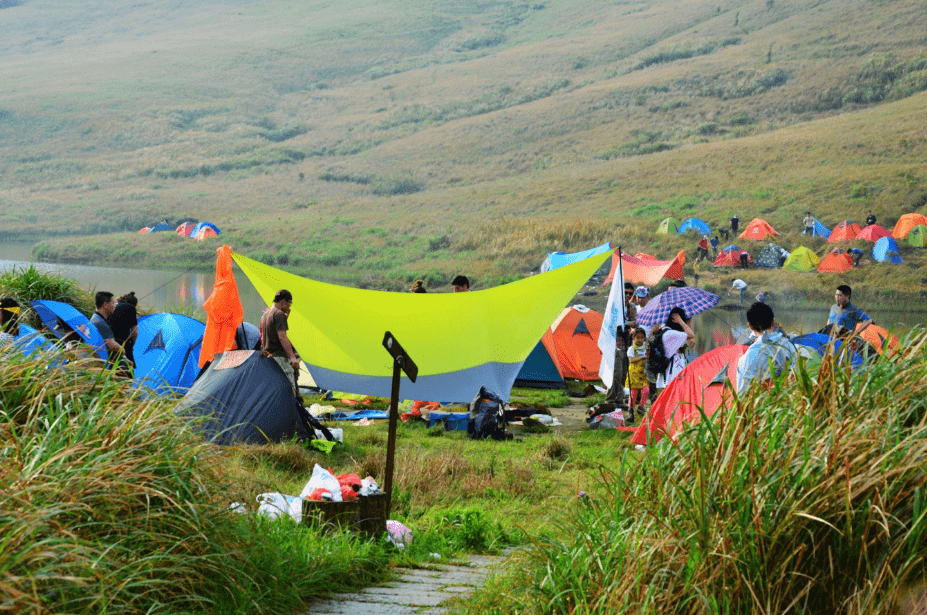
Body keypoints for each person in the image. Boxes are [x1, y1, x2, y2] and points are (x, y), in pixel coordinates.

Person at [736, 302, 798, 394]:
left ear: (750, 326)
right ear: (773, 321)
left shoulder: (749, 356)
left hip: (760, 406)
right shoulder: (789, 346)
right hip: (788, 403)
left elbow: (742, 394)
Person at [260, 289, 301, 397]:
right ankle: (291, 409)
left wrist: (285, 319)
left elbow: (270, 332)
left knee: (276, 385)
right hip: (279, 355)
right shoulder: (279, 314)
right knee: (289, 384)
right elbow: (282, 337)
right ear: (283, 301)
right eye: (289, 303)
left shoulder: (266, 314)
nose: (289, 306)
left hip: (268, 356)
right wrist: (292, 357)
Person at [654, 307, 696, 391]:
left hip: (666, 372)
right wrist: (680, 321)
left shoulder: (663, 331)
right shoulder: (672, 334)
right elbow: (691, 334)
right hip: (672, 373)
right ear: (675, 320)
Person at [90, 291, 123, 365]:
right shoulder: (100, 323)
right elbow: (112, 345)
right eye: (113, 303)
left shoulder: (95, 318)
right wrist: (123, 349)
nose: (114, 306)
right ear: (105, 305)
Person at [107, 291, 138, 368]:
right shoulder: (131, 308)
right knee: (128, 369)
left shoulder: (115, 306)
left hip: (110, 342)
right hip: (123, 342)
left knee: (113, 366)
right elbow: (134, 332)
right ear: (135, 304)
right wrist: (132, 344)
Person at [626, 328, 649, 422]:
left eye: (641, 338)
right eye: (637, 338)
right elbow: (631, 360)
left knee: (646, 390)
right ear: (633, 338)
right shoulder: (631, 349)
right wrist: (642, 357)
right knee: (633, 394)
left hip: (643, 374)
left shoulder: (646, 347)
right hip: (634, 374)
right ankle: (630, 411)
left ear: (644, 338)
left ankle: (641, 407)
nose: (639, 340)